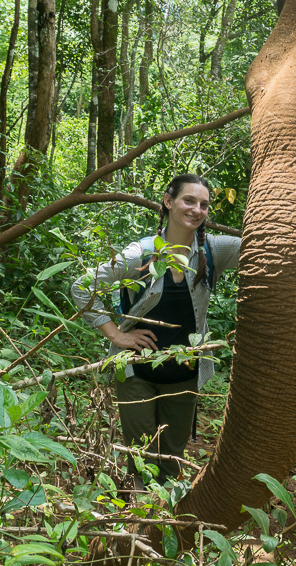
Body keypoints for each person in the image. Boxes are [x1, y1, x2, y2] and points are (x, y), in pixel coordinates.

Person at [72, 173, 240, 486]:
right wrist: (116, 335)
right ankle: (139, 526)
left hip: (185, 374)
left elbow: (261, 247)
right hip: (136, 373)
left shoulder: (212, 250)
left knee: (171, 461)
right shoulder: (141, 253)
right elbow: (83, 286)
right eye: (189, 200)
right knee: (140, 459)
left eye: (203, 204)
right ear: (168, 201)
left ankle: (165, 526)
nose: (196, 210)